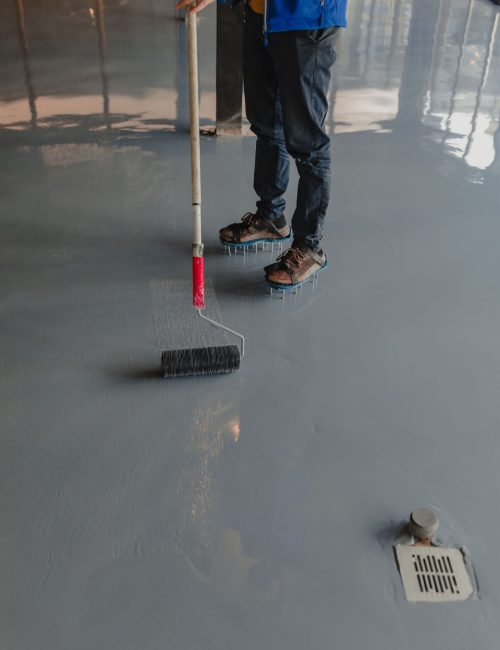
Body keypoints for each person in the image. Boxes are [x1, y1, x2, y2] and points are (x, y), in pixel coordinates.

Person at [176, 0, 347, 288]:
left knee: (308, 143)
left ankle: (309, 247)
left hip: (305, 20)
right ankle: (271, 217)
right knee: (267, 124)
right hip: (261, 16)